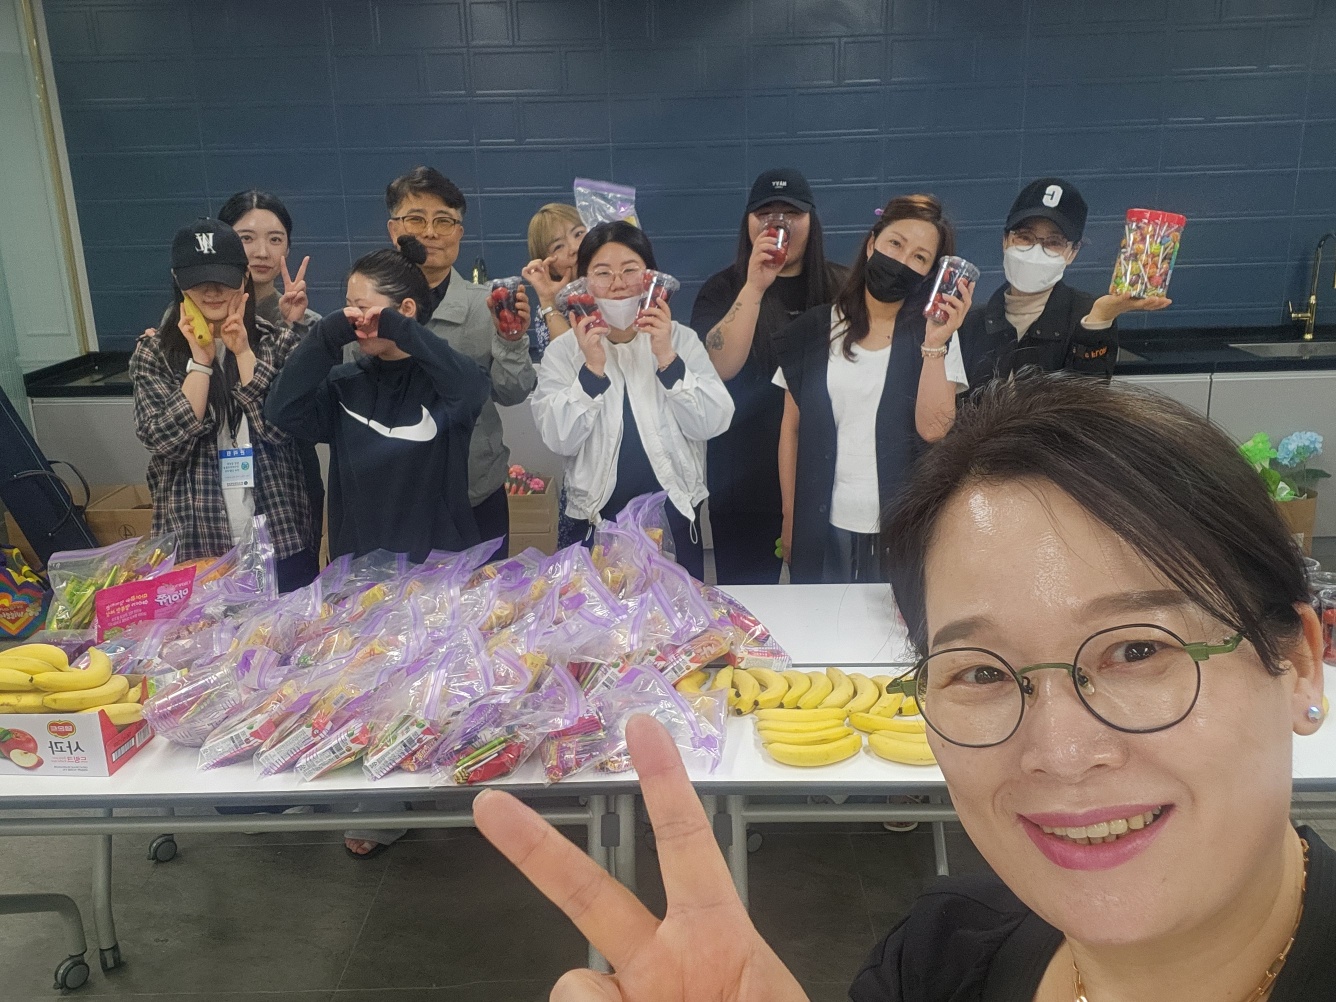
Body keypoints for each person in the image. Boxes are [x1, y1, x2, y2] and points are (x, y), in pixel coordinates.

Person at [474, 370, 1335, 1002]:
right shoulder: (938, 959)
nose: (1062, 751)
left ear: (1299, 663)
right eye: (982, 672)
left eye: (1137, 651)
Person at [775, 195, 971, 584]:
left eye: (919, 257)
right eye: (895, 244)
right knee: (820, 618)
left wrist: (936, 342)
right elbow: (791, 430)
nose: (902, 260)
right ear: (871, 244)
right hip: (822, 524)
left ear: (929, 272)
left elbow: (934, 429)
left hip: (899, 527)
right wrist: (789, 515)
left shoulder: (936, 336)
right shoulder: (813, 329)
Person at [265, 236, 490, 563]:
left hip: (440, 570)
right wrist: (325, 336)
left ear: (405, 310)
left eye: (363, 308)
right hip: (359, 571)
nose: (354, 319)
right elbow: (281, 411)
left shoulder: (444, 385)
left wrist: (401, 329)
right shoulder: (344, 384)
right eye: (348, 307)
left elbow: (473, 389)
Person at [531, 221, 734, 580]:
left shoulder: (681, 340)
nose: (618, 283)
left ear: (650, 277)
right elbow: (559, 438)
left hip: (674, 516)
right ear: (584, 282)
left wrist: (667, 358)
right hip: (595, 521)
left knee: (675, 612)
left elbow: (713, 422)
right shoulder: (564, 352)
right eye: (602, 273)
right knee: (597, 615)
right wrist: (592, 369)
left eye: (630, 270)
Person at [130, 218, 315, 591]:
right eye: (198, 281)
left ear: (244, 278)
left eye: (223, 279)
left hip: (278, 537)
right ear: (177, 280)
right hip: (193, 543)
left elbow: (277, 430)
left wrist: (243, 353)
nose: (212, 291)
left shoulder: (276, 343)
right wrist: (201, 362)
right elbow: (165, 441)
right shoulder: (154, 352)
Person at [692, 168, 846, 585]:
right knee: (746, 608)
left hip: (824, 483)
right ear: (747, 223)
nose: (778, 224)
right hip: (742, 484)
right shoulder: (723, 289)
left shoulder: (842, 288)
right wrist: (755, 286)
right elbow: (719, 367)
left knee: (826, 609)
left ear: (811, 221)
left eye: (791, 214)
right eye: (765, 214)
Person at [384, 167, 536, 552]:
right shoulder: (371, 304)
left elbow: (513, 392)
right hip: (395, 498)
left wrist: (512, 339)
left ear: (460, 233)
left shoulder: (487, 305)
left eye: (444, 221)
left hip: (476, 497)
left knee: (487, 591)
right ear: (394, 229)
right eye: (416, 219)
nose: (430, 232)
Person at [958, 176, 1172, 386]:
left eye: (1053, 242)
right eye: (1024, 237)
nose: (1035, 251)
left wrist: (1098, 323)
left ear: (1073, 252)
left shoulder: (1087, 316)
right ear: (1005, 240)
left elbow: (1087, 401)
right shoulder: (968, 323)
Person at [216, 189, 325, 561]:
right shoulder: (193, 321)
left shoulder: (308, 325)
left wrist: (288, 327)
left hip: (290, 480)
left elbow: (307, 410)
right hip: (214, 482)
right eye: (246, 238)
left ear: (287, 249)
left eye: (275, 240)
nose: (261, 252)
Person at [521, 202, 586, 359]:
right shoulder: (547, 309)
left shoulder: (621, 286)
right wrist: (548, 301)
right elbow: (568, 361)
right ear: (549, 266)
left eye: (578, 234)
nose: (574, 248)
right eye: (558, 247)